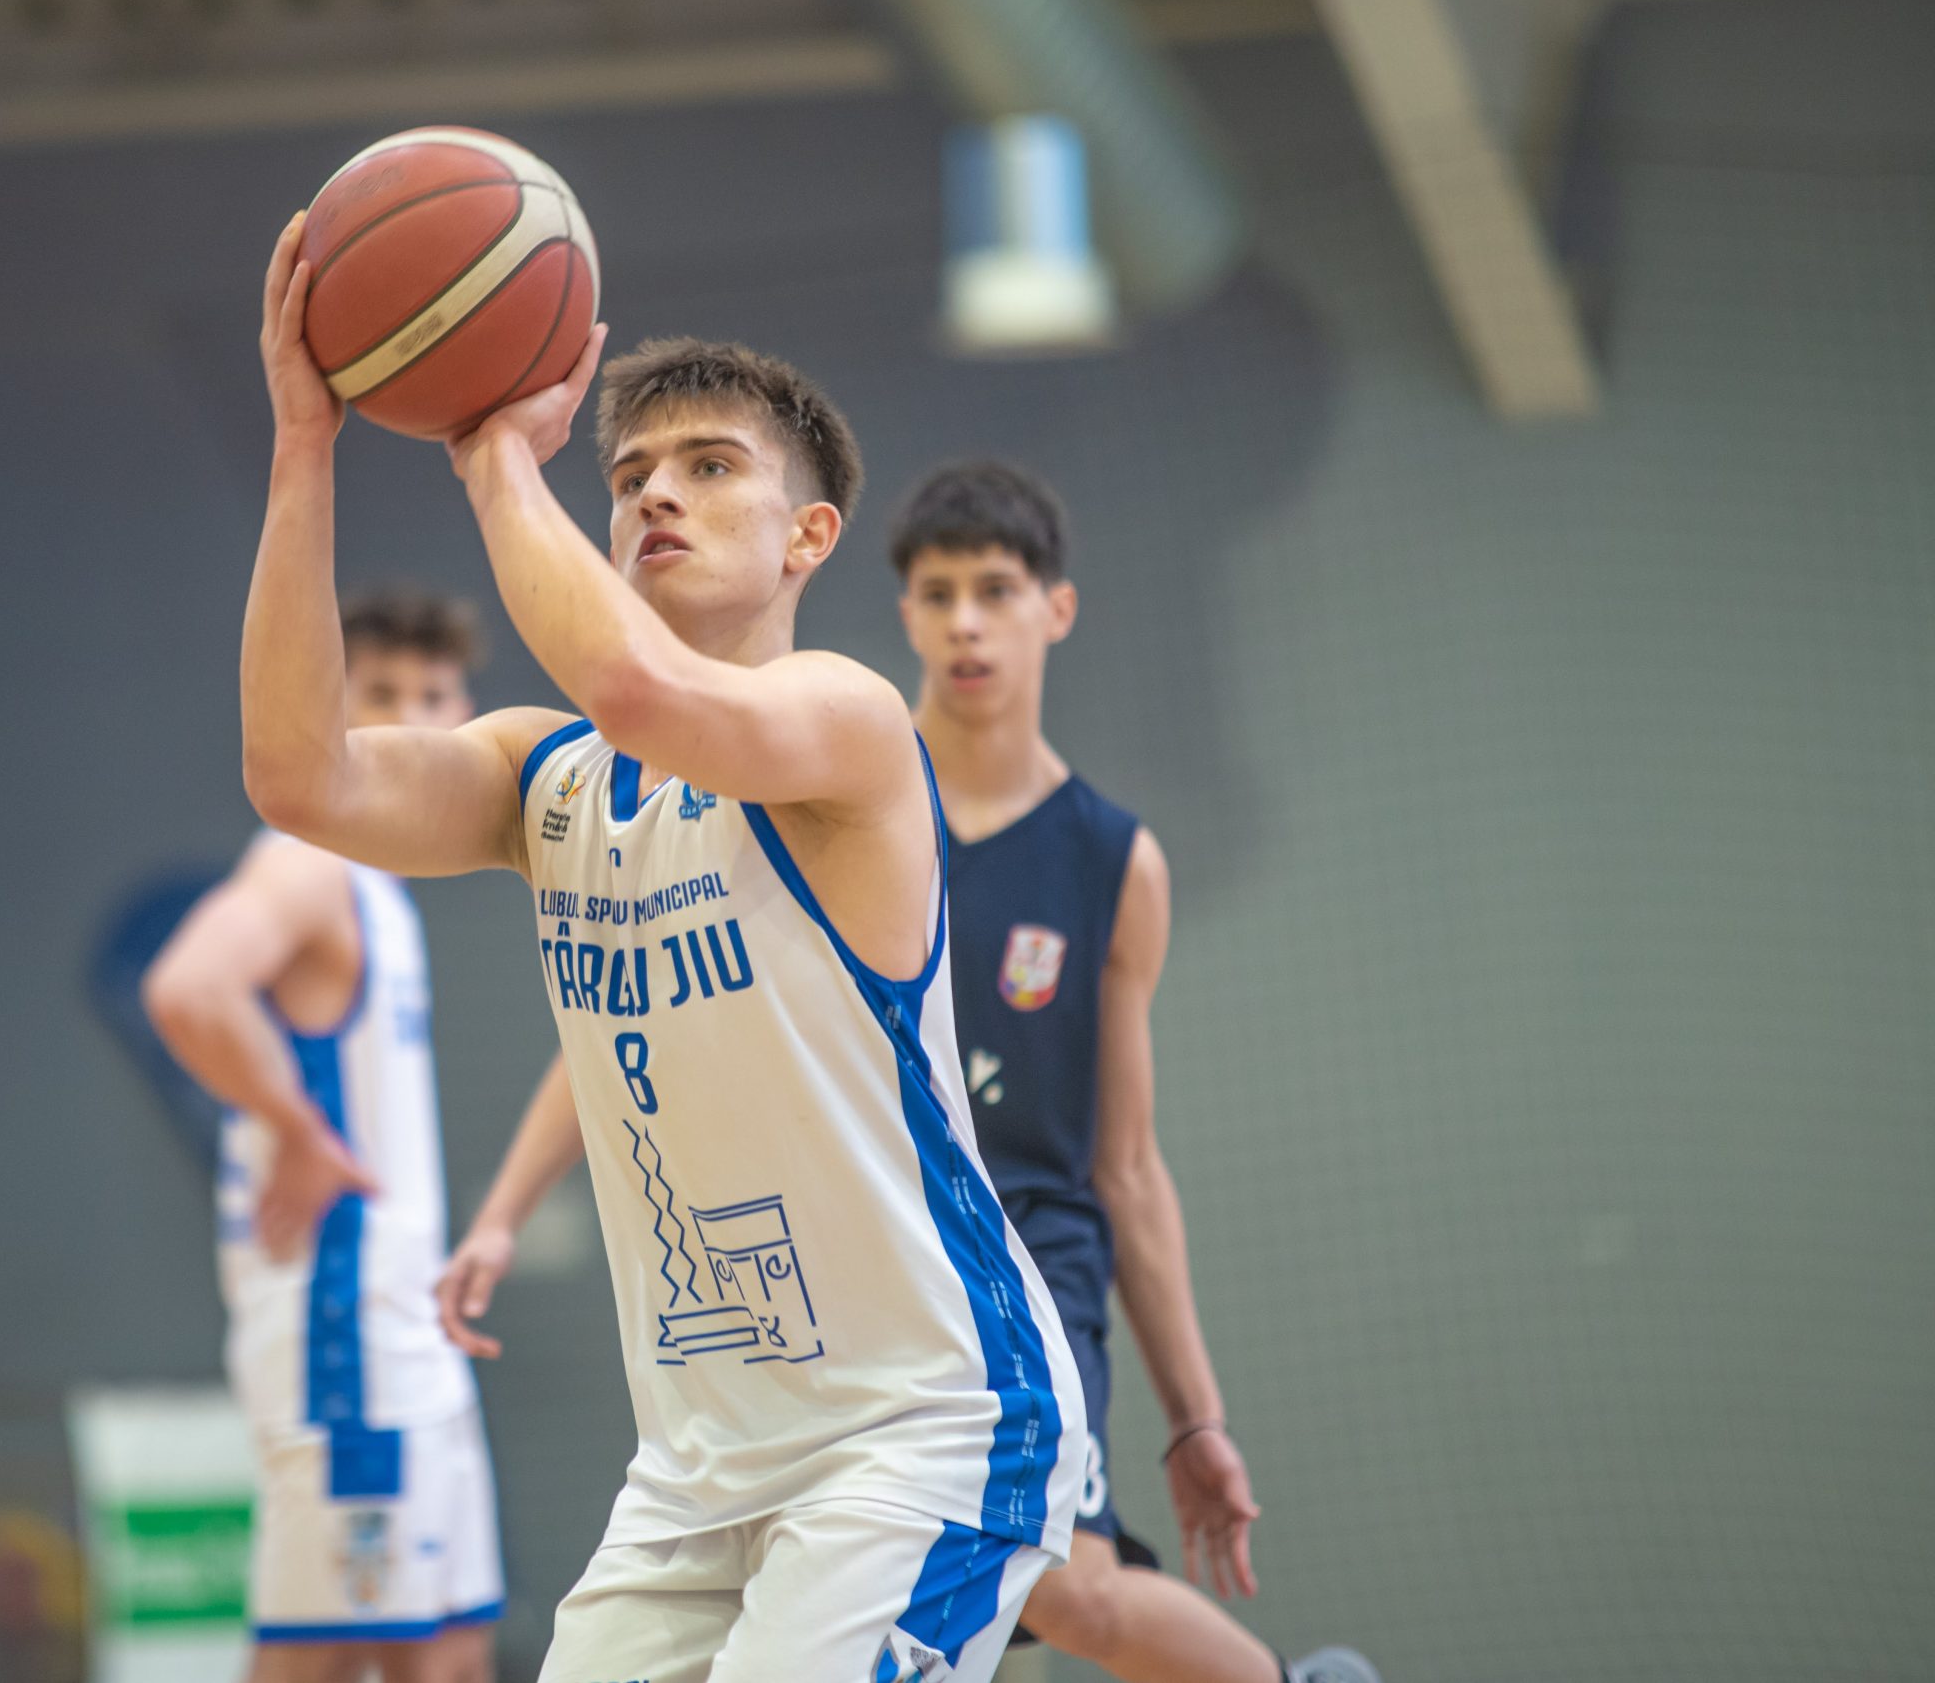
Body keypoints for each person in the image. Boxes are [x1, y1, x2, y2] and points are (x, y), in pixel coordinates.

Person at [240, 213, 1084, 1683]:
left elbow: (640, 689)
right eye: (628, 475)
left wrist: (489, 452)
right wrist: (306, 445)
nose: (654, 495)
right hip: (697, 1471)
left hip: (921, 1430)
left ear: (808, 537)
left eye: (709, 468)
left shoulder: (849, 723)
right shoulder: (545, 776)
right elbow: (298, 778)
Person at [439, 460, 1379, 1683]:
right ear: (905, 615)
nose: (966, 623)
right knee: (995, 1589)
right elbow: (633, 1025)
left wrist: (1194, 1412)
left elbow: (1127, 1162)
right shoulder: (820, 776)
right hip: (844, 1246)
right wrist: (502, 1212)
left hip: (1013, 1246)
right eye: (939, 595)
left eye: (995, 591)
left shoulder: (1109, 860)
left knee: (1069, 1587)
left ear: (1057, 608)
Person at [142, 585, 503, 1682]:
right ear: (331, 707)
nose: (410, 720)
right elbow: (189, 987)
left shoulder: (385, 880)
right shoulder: (308, 859)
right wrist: (296, 1129)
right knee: (325, 1657)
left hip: (408, 1336)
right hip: (345, 1345)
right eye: (379, 693)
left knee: (454, 1650)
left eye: (433, 695)